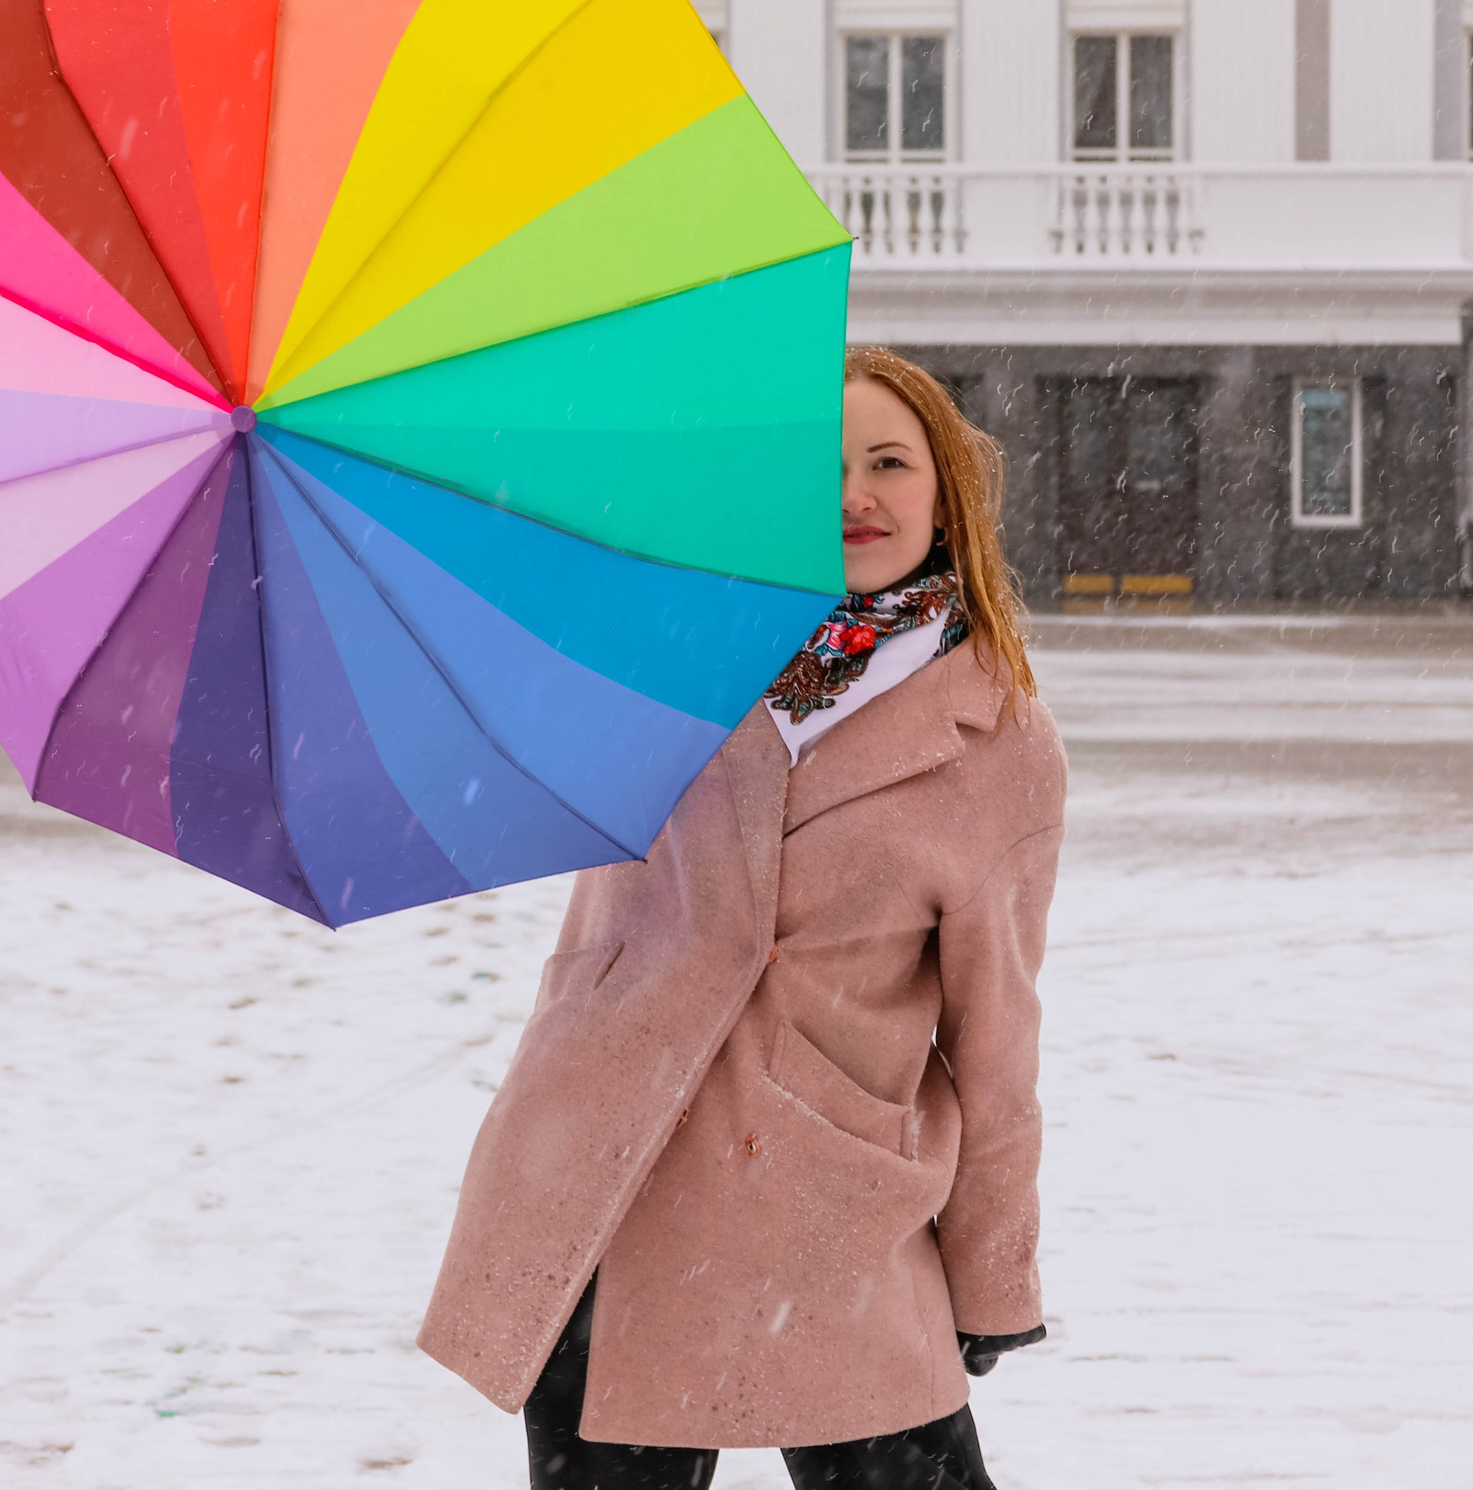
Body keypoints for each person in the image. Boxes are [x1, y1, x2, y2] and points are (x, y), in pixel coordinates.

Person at [420, 348, 1066, 1490]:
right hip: (608, 1178)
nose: (854, 496)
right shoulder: (663, 660)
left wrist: (991, 1275)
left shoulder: (995, 737)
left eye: (887, 463)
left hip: (832, 1209)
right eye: (819, 470)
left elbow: (996, 1040)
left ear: (943, 491)